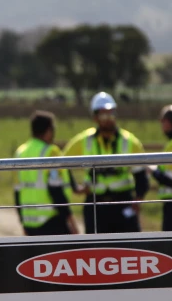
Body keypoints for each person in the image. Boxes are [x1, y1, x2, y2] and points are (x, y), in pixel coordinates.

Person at [63, 92, 149, 234]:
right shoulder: (84, 140)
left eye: (111, 114)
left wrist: (138, 200)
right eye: (104, 115)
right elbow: (62, 163)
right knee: (96, 250)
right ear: (95, 117)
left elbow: (141, 177)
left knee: (130, 248)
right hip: (95, 204)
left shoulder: (130, 142)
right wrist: (75, 187)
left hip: (123, 202)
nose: (109, 119)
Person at [14, 111, 79, 236]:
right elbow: (56, 191)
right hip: (52, 220)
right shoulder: (50, 152)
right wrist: (72, 223)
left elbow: (17, 191)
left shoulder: (20, 152)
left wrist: (23, 222)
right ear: (49, 130)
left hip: (29, 222)